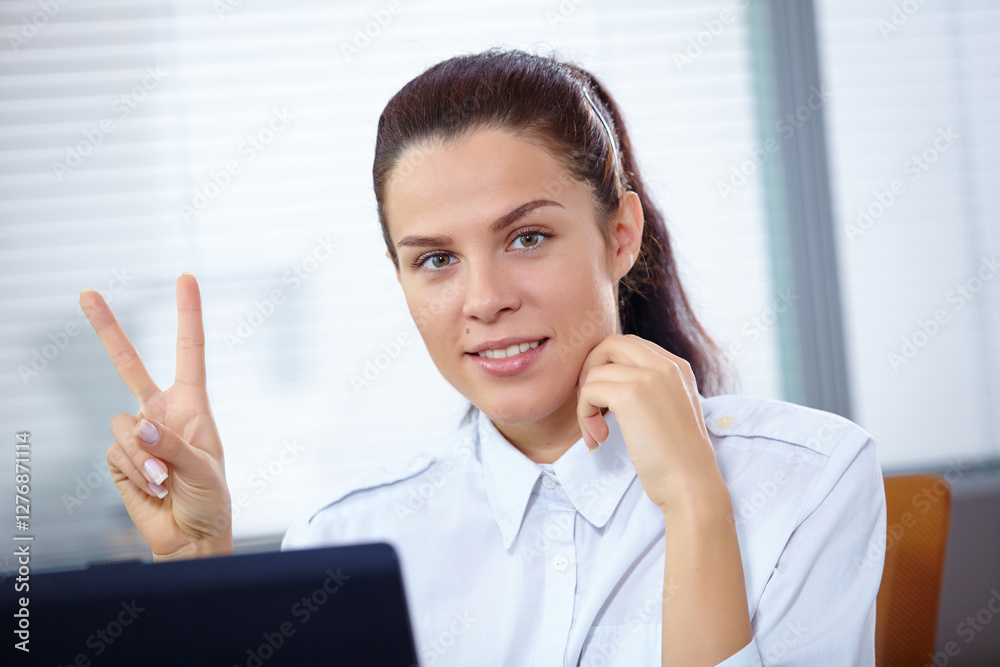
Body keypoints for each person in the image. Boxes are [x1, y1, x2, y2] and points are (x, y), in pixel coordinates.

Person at [80, 48, 886, 666]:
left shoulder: (809, 481)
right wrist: (197, 578)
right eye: (435, 259)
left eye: (527, 237)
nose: (483, 297)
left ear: (620, 235)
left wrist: (696, 505)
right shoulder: (345, 539)